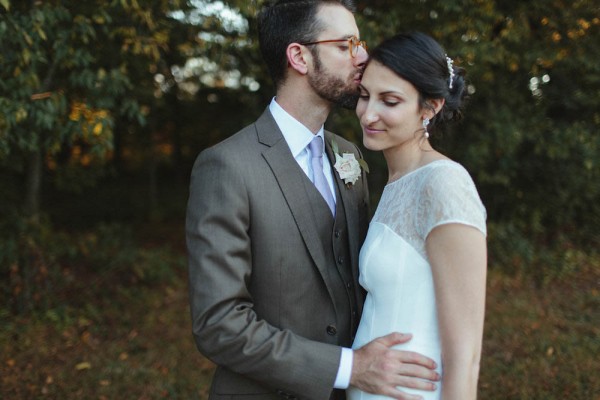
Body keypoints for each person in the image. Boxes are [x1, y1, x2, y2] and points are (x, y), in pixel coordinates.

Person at [186, 2, 440, 399]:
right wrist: (349, 367)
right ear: (299, 56)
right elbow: (218, 324)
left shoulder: (350, 155)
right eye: (346, 45)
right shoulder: (227, 166)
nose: (363, 57)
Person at [348, 32, 488, 400]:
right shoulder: (395, 182)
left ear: (430, 107)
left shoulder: (444, 184)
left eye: (389, 100)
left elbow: (465, 357)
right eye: (364, 96)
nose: (369, 113)